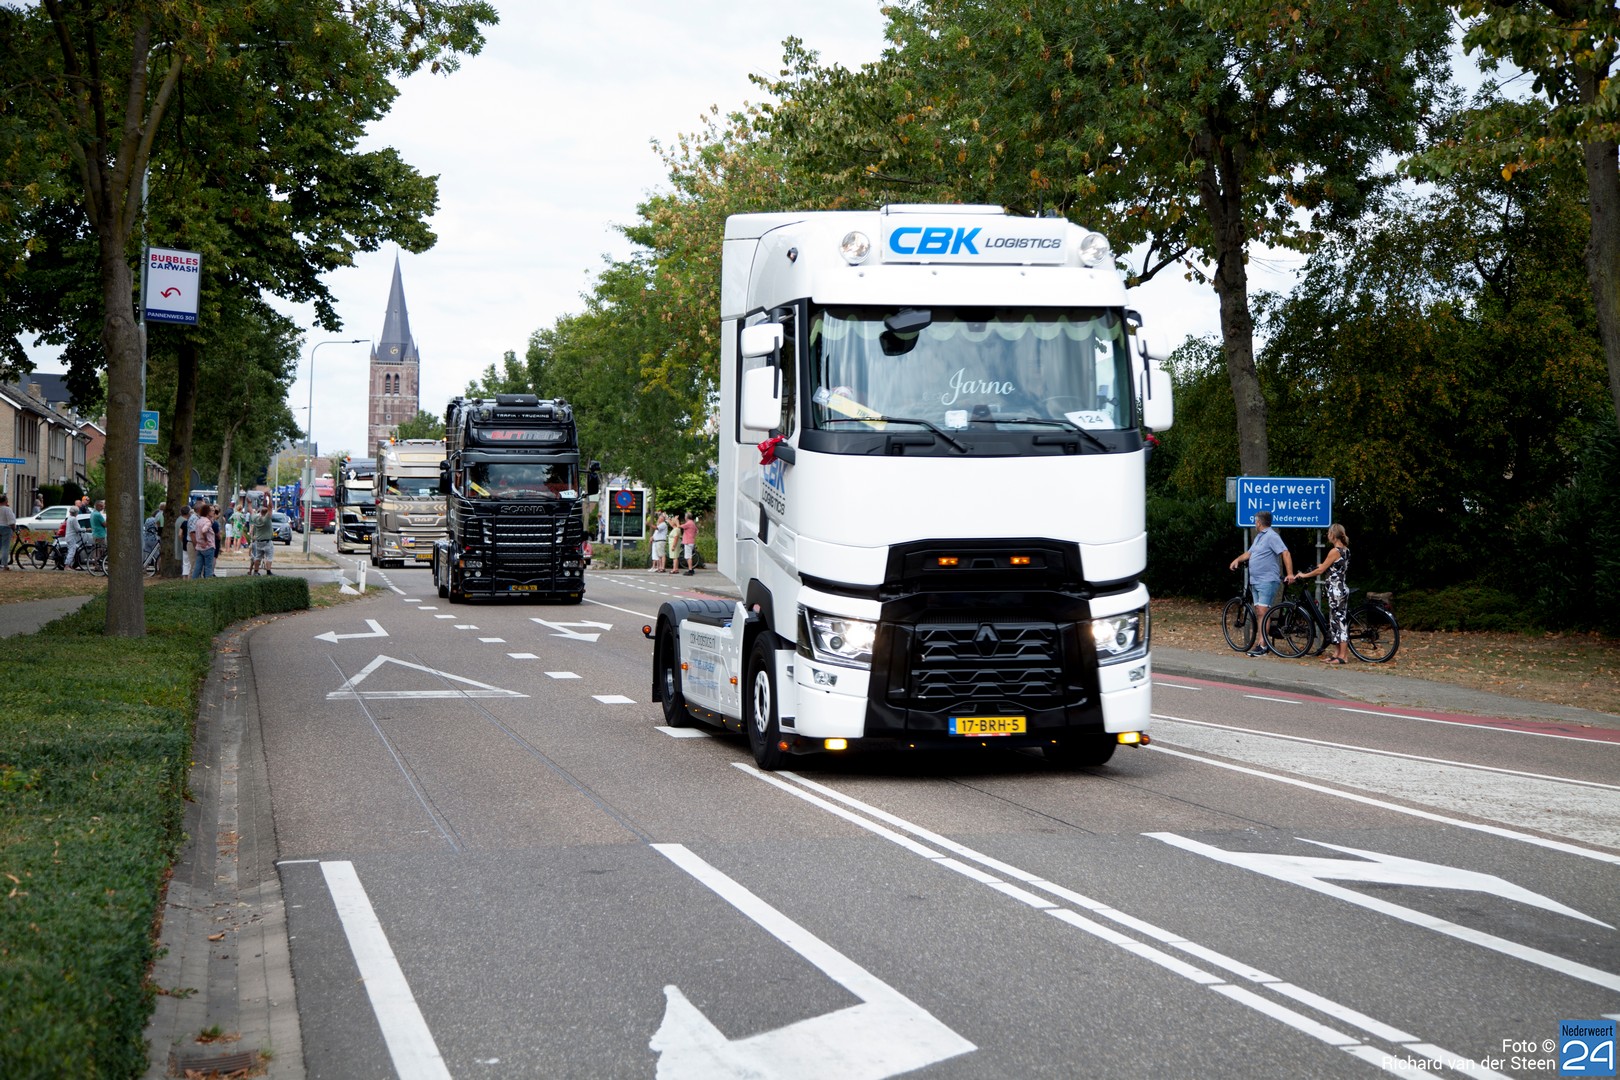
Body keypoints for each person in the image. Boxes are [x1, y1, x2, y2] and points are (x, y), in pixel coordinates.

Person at [1228, 510, 1294, 656]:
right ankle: (1261, 642)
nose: (1254, 523)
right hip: (1256, 580)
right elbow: (1249, 553)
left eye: (1255, 521)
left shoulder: (1272, 536)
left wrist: (1290, 573)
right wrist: (1237, 560)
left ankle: (1263, 645)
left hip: (1267, 580)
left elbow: (1285, 552)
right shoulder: (1259, 537)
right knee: (1259, 611)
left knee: (1263, 611)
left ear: (1259, 522)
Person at [1289, 522, 1351, 664]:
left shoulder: (1334, 551)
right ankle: (1336, 653)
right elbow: (1331, 566)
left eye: (1329, 533)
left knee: (1339, 621)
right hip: (1340, 587)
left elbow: (1321, 570)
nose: (1327, 535)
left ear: (1333, 535)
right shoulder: (1345, 550)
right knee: (1334, 621)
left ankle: (1343, 656)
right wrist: (1319, 566)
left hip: (1336, 589)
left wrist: (1304, 575)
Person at [190, 504, 218, 579]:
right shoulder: (207, 522)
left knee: (197, 567)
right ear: (207, 512)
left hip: (199, 547)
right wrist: (206, 539)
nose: (213, 512)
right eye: (211, 511)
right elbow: (204, 530)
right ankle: (207, 583)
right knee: (208, 567)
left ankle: (193, 581)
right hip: (208, 547)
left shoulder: (199, 521)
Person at [248, 501, 275, 575]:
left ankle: (256, 571)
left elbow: (251, 511)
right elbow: (270, 508)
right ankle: (268, 572)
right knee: (269, 557)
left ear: (260, 512)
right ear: (267, 513)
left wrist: (249, 503)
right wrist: (269, 498)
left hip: (259, 541)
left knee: (258, 557)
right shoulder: (267, 519)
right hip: (267, 542)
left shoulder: (256, 519)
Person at [680, 512, 699, 576]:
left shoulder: (688, 523)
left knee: (688, 557)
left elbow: (680, 526)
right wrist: (692, 535)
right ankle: (690, 569)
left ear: (686, 517)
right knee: (688, 556)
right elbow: (697, 531)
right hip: (691, 541)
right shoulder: (693, 523)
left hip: (688, 541)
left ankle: (690, 570)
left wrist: (676, 521)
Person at [0, 494, 14, 570]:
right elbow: (11, 521)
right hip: (6, 528)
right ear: (6, 501)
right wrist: (14, 528)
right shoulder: (7, 509)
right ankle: (4, 564)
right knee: (5, 546)